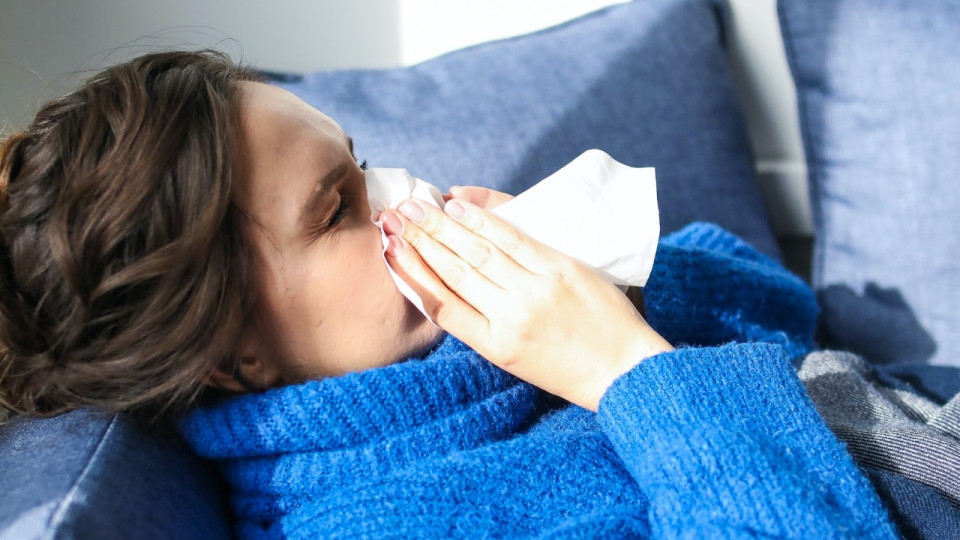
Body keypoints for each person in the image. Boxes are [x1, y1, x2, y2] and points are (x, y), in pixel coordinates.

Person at [0, 50, 897, 538]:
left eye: (358, 161)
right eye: (338, 208)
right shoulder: (381, 519)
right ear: (231, 353)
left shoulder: (475, 346)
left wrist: (606, 272)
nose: (403, 190)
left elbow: (788, 312)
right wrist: (623, 370)